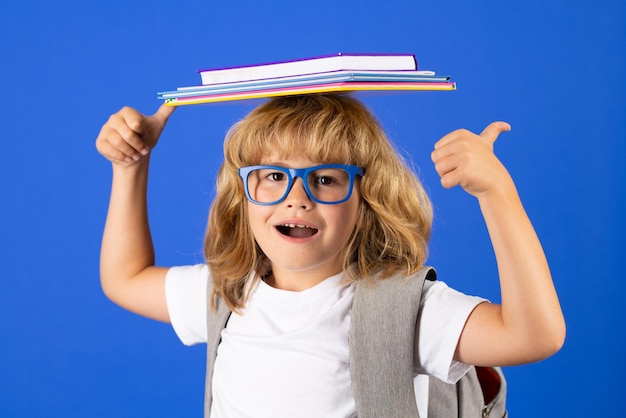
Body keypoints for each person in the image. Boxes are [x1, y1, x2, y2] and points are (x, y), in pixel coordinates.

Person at [96, 94, 565, 417]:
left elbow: (533, 336)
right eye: (273, 176)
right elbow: (125, 277)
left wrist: (496, 194)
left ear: (367, 201)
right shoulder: (228, 292)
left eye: (325, 179)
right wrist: (129, 167)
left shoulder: (405, 311)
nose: (296, 198)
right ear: (242, 196)